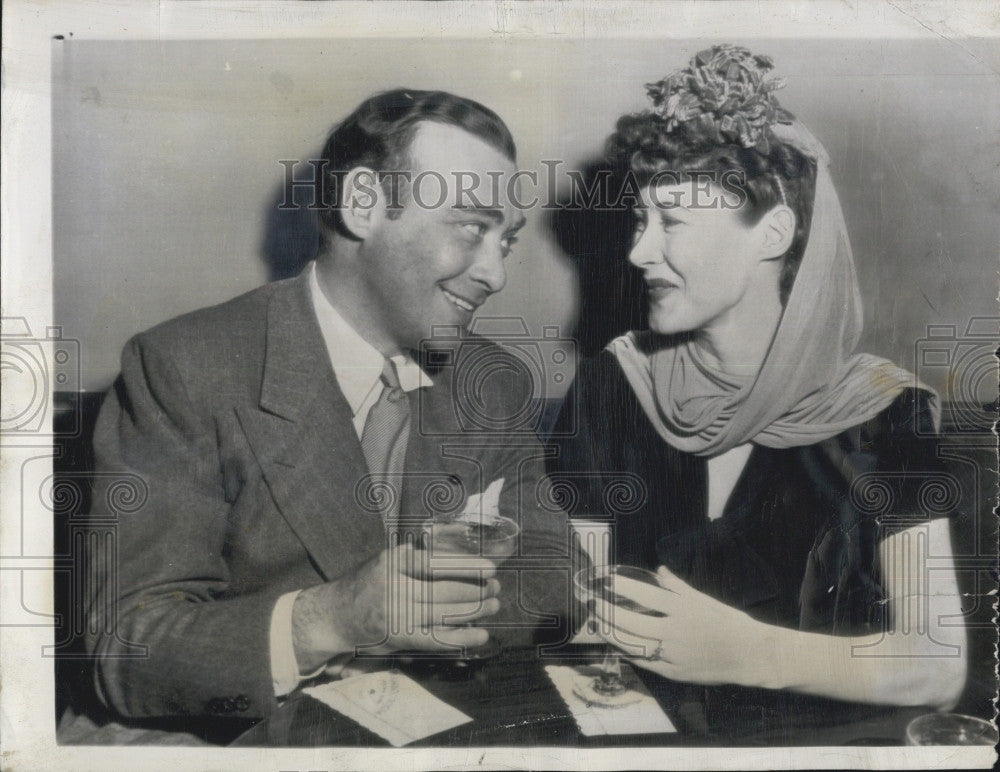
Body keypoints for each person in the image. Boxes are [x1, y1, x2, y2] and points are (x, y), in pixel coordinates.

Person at [80, 89, 579, 743]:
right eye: (470, 227)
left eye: (504, 241)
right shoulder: (184, 368)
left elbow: (553, 574)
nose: (495, 275)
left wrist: (445, 605)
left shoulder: (496, 380)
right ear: (363, 204)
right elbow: (127, 649)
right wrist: (335, 619)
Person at [551, 46, 967, 721]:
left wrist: (747, 652)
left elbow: (938, 667)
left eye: (674, 222)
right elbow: (580, 613)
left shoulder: (886, 413)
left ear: (772, 233)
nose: (638, 252)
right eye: (639, 219)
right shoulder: (612, 385)